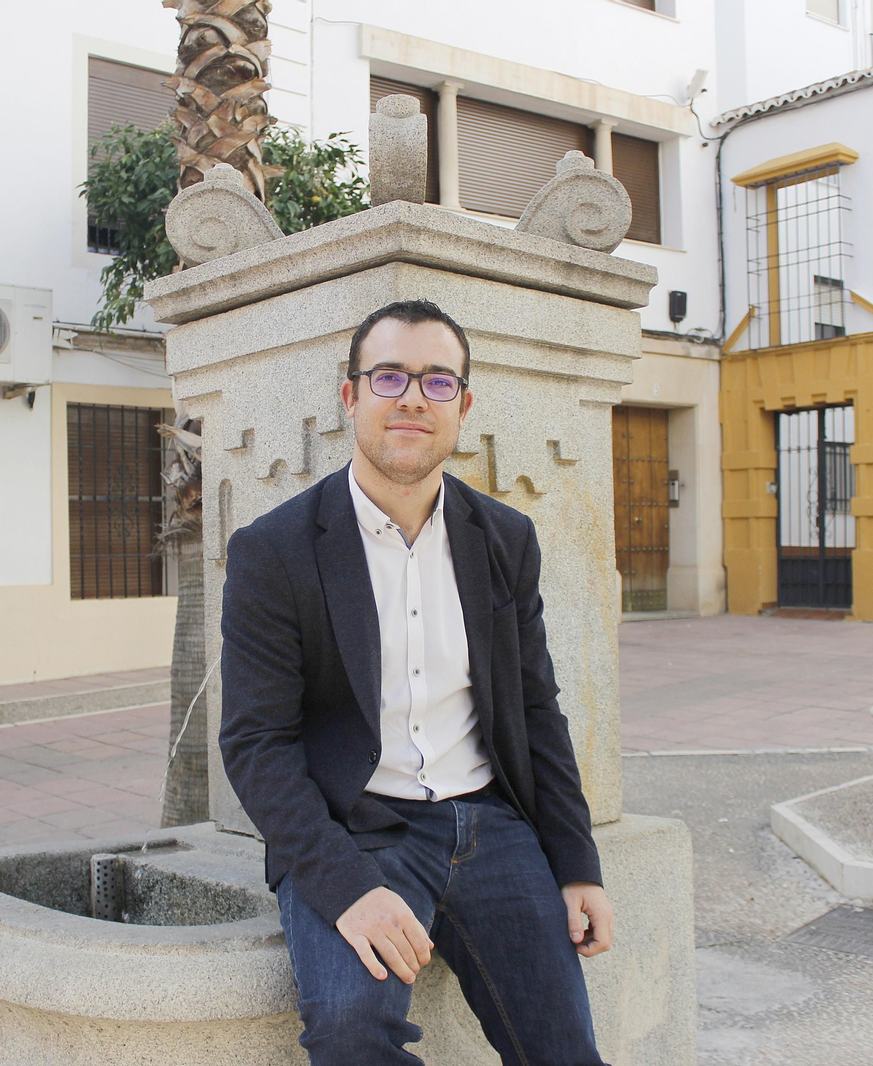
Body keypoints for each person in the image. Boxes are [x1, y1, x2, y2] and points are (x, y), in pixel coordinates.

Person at [219, 299, 614, 1066]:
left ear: (463, 407)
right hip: (358, 830)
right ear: (351, 396)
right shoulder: (274, 551)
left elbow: (537, 709)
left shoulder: (504, 538)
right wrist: (344, 886)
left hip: (492, 827)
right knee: (349, 1033)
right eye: (389, 376)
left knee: (564, 1051)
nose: (410, 398)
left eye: (437, 382)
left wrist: (577, 863)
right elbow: (256, 745)